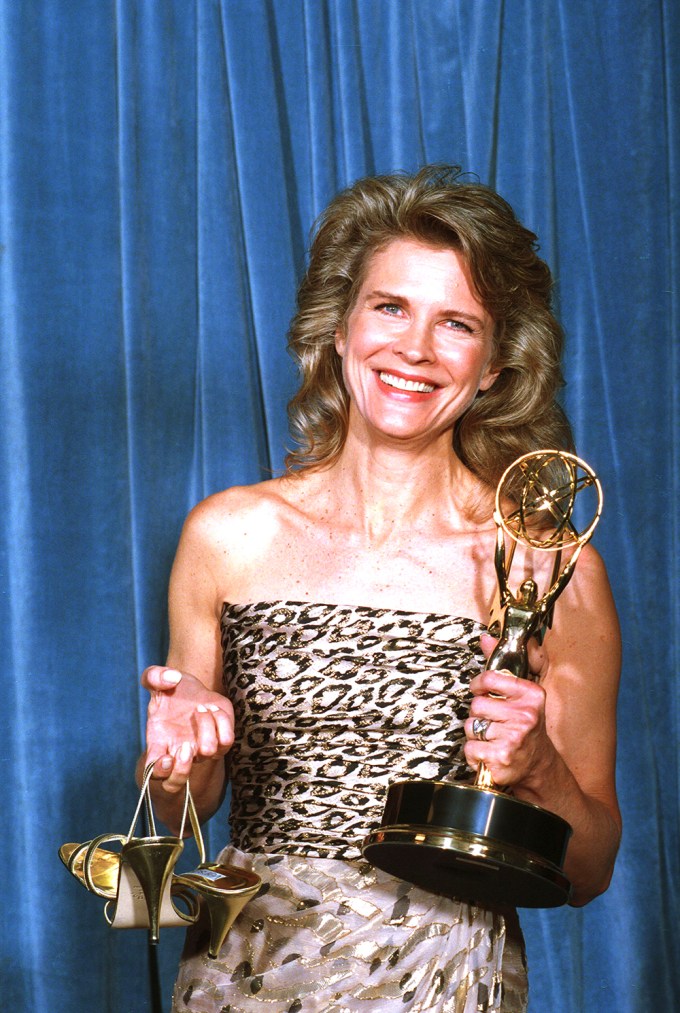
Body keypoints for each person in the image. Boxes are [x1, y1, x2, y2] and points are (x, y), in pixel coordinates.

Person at [138, 165, 621, 1012]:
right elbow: (188, 810)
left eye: (457, 324)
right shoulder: (227, 535)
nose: (415, 349)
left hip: (450, 979)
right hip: (248, 972)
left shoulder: (547, 565)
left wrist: (537, 764)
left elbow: (590, 869)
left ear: (496, 364)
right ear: (339, 326)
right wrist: (180, 761)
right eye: (390, 307)